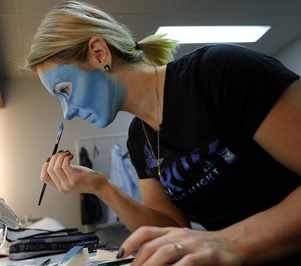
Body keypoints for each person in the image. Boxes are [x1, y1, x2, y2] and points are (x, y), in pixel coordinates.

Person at [25, 1, 301, 265]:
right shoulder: (138, 139)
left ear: (99, 53)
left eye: (65, 91)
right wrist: (101, 186)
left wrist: (230, 242)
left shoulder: (218, 73)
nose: (68, 113)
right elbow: (172, 230)